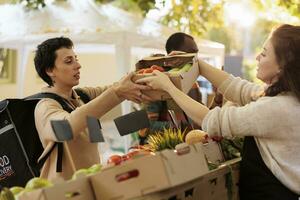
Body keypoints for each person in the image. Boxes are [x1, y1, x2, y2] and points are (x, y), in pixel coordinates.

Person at [137, 24, 300, 199]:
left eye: (264, 53)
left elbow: (212, 120)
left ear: (282, 66)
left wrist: (168, 87)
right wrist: (194, 62)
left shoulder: (278, 108)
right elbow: (238, 88)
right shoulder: (287, 99)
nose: (257, 57)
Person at [34, 37, 151, 180]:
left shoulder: (82, 96)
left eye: (76, 59)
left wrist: (150, 74)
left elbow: (118, 88)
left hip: (92, 184)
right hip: (64, 192)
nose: (78, 65)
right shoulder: (45, 106)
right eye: (69, 61)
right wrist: (118, 92)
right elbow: (66, 128)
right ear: (50, 70)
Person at [138, 32, 202, 144]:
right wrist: (182, 127)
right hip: (168, 150)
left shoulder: (192, 81)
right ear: (174, 52)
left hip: (193, 144)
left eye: (196, 53)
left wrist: (217, 100)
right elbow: (147, 125)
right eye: (191, 52)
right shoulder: (157, 80)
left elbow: (201, 114)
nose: (195, 57)